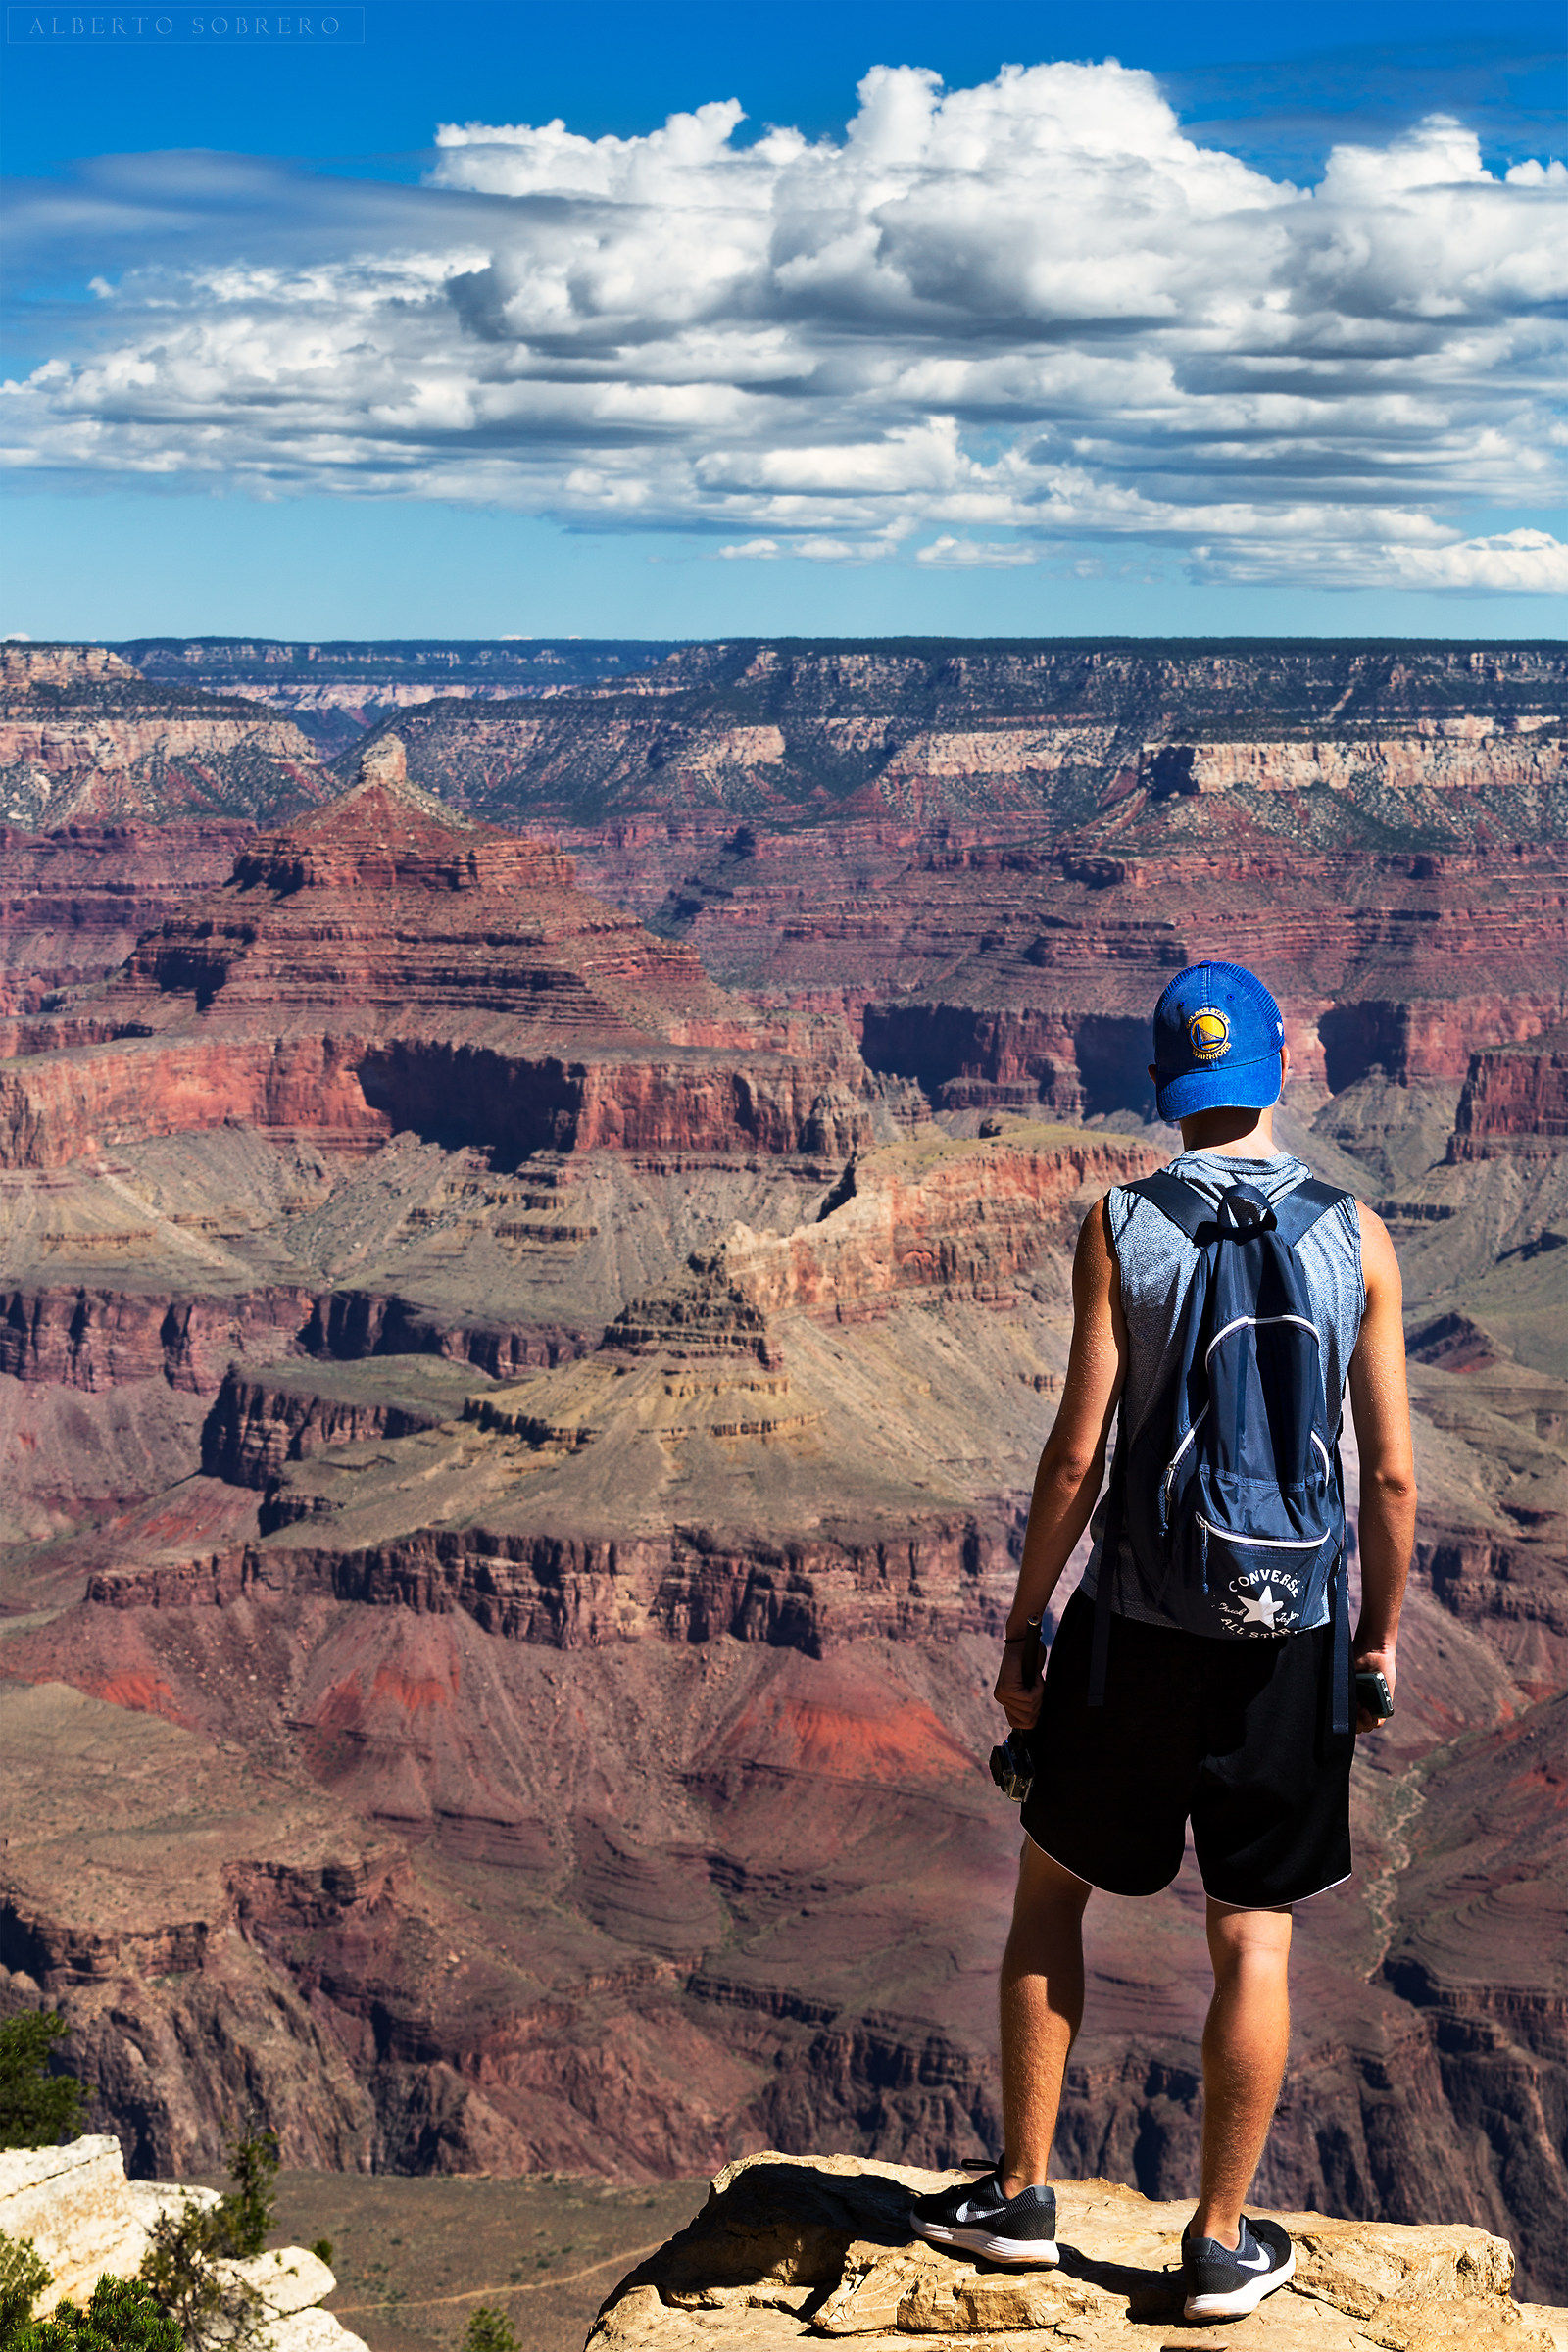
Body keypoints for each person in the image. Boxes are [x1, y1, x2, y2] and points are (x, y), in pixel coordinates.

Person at [910, 961, 1416, 2320]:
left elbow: (1078, 1455)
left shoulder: (1122, 1223)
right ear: (1279, 1069)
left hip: (1133, 1629)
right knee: (1255, 1937)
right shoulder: (1359, 1236)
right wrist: (1372, 1644)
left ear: (1167, 1087)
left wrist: (1027, 1624)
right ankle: (1220, 2243)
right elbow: (1389, 1477)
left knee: (1051, 1895)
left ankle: (1022, 2196)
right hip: (1291, 1638)